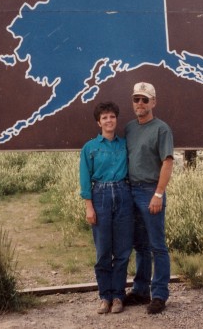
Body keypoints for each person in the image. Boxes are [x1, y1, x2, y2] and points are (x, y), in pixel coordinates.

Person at [79, 101, 134, 315]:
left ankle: (118, 296)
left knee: (122, 251)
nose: (109, 120)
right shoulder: (90, 148)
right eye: (104, 118)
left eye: (112, 116)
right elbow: (85, 179)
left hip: (123, 193)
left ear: (116, 119)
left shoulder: (124, 144)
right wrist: (89, 207)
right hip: (100, 195)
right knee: (103, 251)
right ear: (98, 122)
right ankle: (104, 297)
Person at [124, 82, 174, 314]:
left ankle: (160, 294)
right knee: (140, 245)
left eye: (145, 99)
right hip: (130, 190)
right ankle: (141, 290)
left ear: (153, 102)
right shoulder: (129, 129)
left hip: (150, 192)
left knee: (157, 245)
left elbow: (167, 162)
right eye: (137, 99)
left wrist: (158, 194)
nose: (140, 104)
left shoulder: (161, 129)